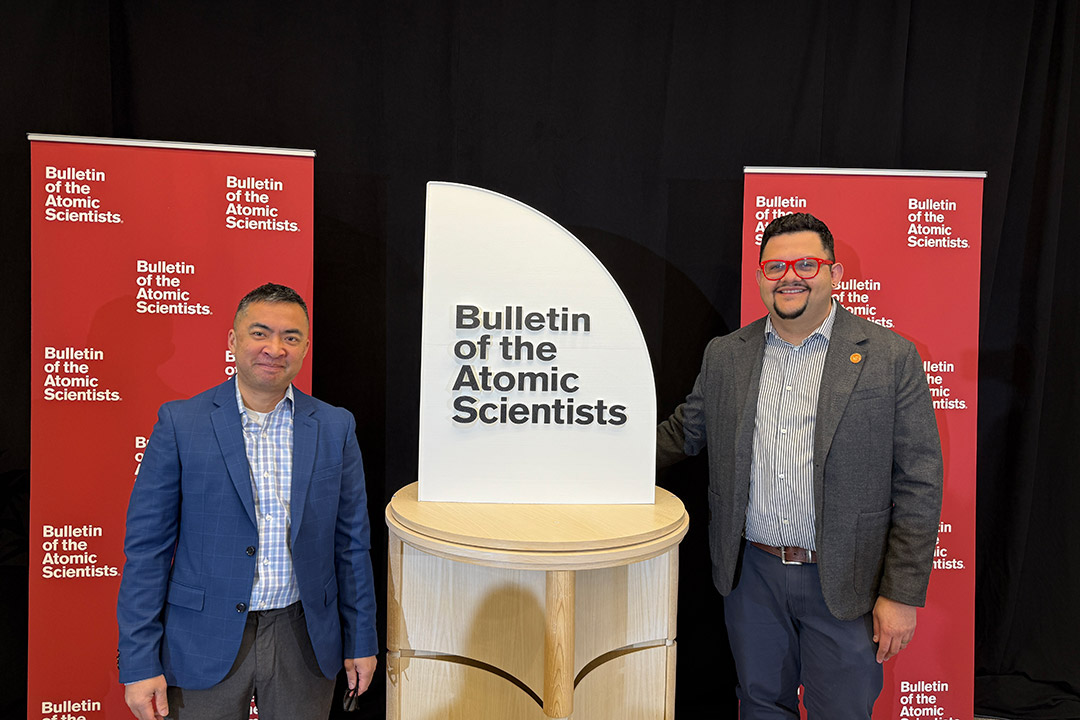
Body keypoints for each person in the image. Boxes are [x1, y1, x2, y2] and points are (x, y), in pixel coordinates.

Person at [657, 213, 942, 719]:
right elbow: (685, 433)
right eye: (774, 266)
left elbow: (919, 481)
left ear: (835, 274)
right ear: (761, 277)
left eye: (806, 264)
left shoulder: (889, 357)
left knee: (843, 712)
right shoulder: (726, 355)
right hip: (752, 577)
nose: (790, 276)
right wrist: (603, 459)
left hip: (846, 583)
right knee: (762, 705)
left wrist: (900, 594)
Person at [117, 283, 378, 720]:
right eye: (260, 333)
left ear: (305, 347)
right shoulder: (181, 424)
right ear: (233, 341)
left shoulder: (336, 427)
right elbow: (147, 551)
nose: (275, 348)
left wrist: (361, 640)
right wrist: (140, 661)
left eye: (291, 337)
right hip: (201, 642)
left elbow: (351, 545)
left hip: (306, 639)